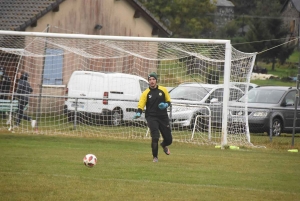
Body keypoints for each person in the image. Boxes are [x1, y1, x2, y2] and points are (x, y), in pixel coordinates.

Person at [133, 72, 172, 162]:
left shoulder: (163, 90)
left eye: (153, 79)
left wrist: (166, 105)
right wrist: (138, 112)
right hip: (151, 117)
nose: (151, 81)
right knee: (155, 137)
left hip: (163, 117)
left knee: (169, 140)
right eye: (150, 80)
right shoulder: (146, 93)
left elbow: (169, 101)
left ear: (156, 80)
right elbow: (141, 104)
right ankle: (155, 157)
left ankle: (163, 145)